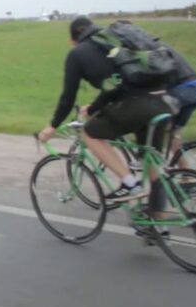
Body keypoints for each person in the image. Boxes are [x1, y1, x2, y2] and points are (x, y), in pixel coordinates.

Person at [37, 17, 173, 203]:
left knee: (89, 133)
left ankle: (130, 184)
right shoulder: (113, 42)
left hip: (137, 105)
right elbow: (114, 84)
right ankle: (159, 219)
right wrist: (94, 108)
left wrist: (52, 126)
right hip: (163, 100)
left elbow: (70, 96)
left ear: (72, 40)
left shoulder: (77, 54)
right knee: (152, 165)